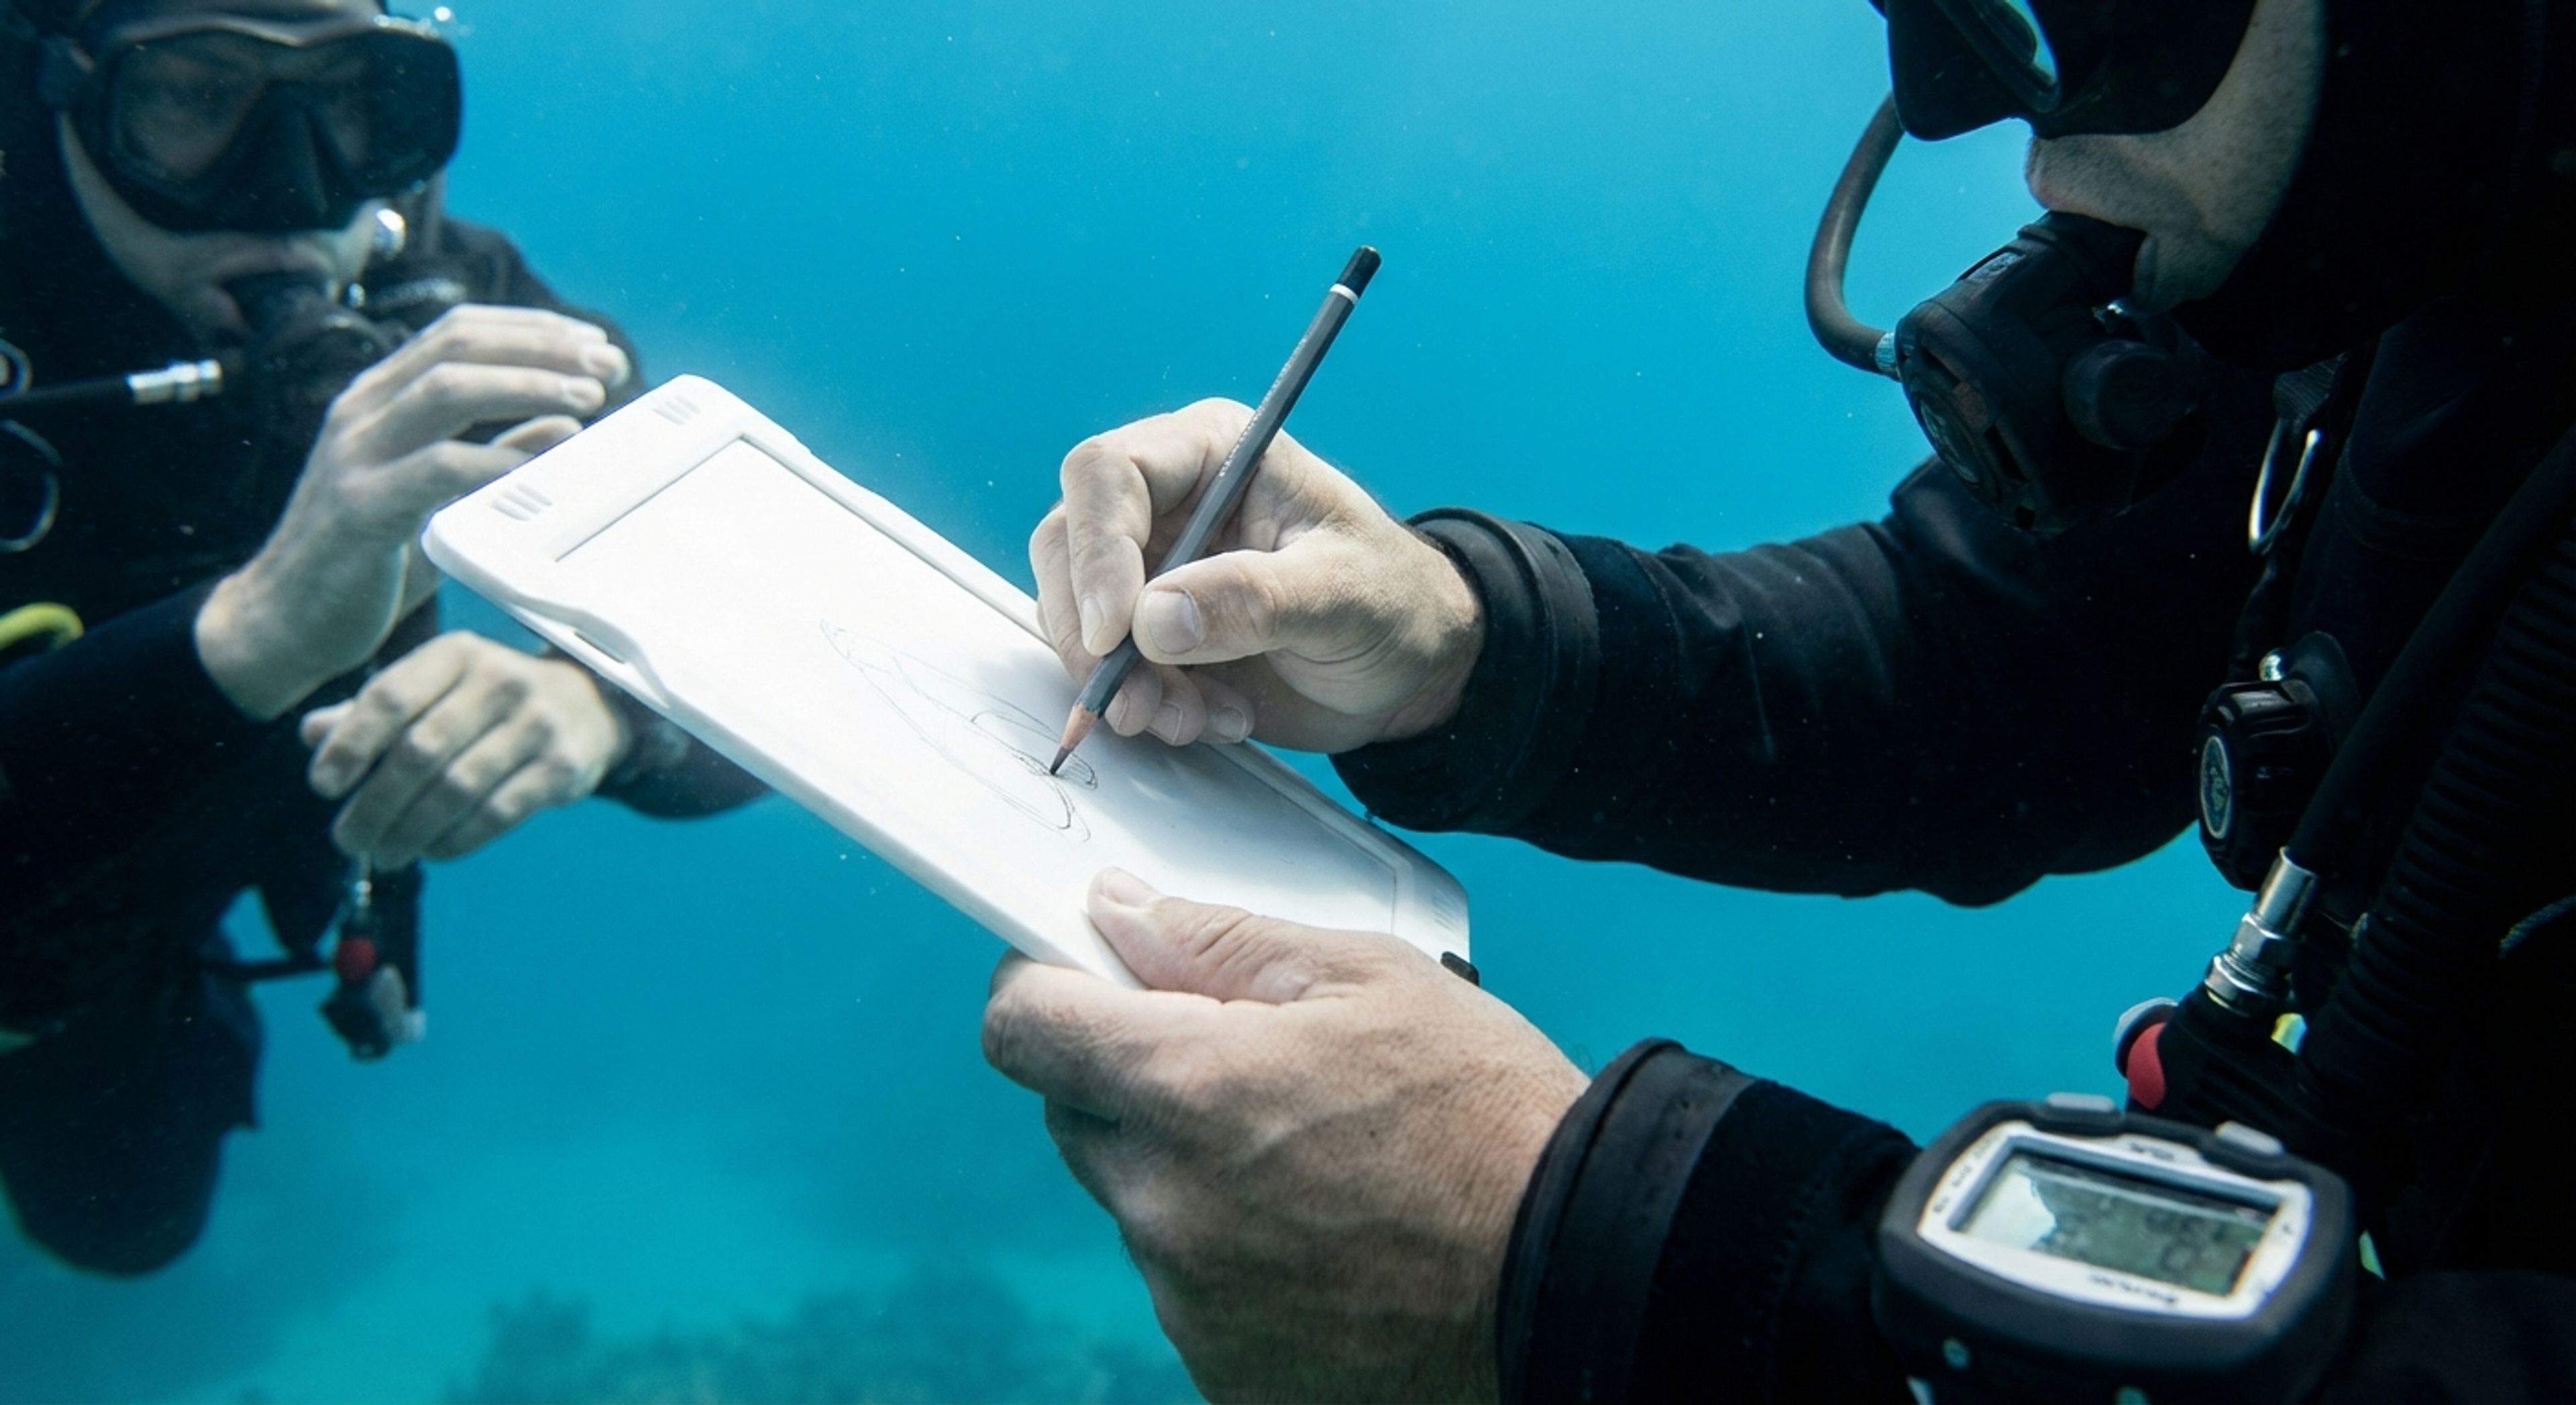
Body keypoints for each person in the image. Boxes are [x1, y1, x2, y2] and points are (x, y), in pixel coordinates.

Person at [983, 0, 2576, 1398]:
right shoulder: (2416, 252)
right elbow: (2016, 658)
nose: (1995, 123)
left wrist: (1588, 1259)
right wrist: (1469, 640)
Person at [0, 0, 761, 1276]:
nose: (291, 187)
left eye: (356, 100)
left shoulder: (447, 305)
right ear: (58, 83)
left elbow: (784, 664)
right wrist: (256, 633)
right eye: (194, 95)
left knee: (128, 1221)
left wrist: (600, 709)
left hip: (165, 903)